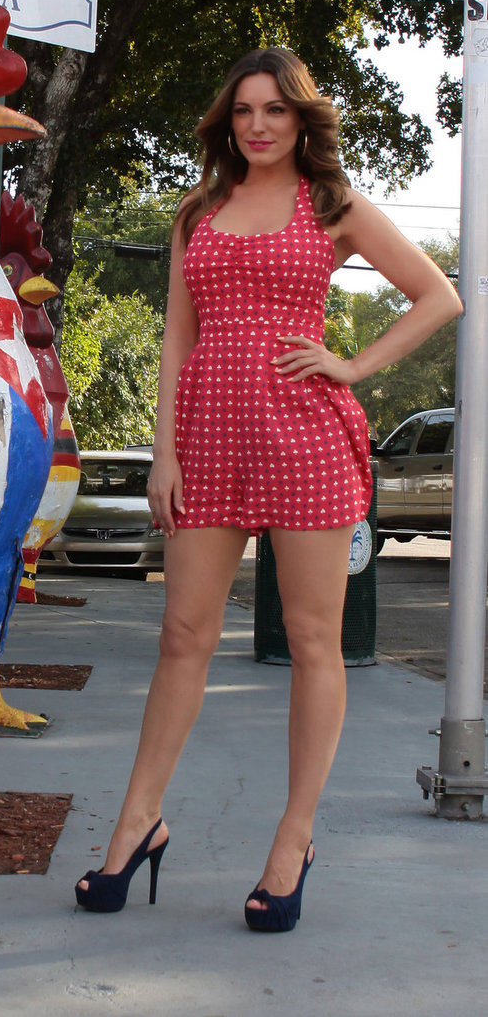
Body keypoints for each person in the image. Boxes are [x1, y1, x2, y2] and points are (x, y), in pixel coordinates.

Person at [75, 48, 462, 932]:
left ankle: (293, 837)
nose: (256, 124)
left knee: (312, 638)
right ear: (228, 121)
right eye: (243, 110)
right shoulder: (196, 210)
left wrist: (353, 363)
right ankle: (138, 821)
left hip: (305, 433)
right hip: (206, 434)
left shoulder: (334, 206)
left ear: (300, 120)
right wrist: (164, 452)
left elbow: (437, 296)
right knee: (183, 634)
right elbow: (178, 336)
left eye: (273, 111)